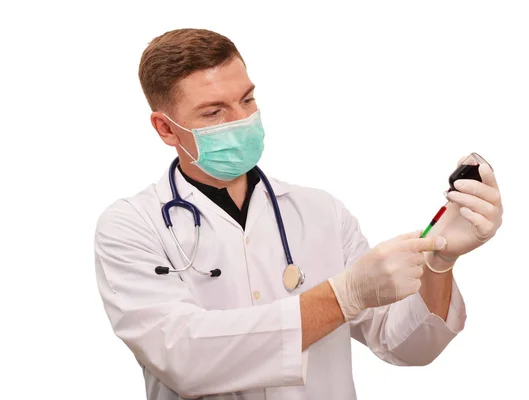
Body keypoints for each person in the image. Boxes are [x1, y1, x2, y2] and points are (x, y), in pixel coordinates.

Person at [94, 28, 503, 400]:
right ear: (166, 130)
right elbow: (182, 359)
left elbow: (407, 346)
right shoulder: (131, 226)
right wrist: (344, 296)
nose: (242, 120)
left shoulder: (321, 212)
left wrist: (441, 260)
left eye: (247, 99)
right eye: (214, 112)